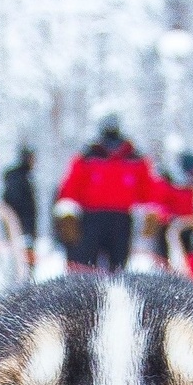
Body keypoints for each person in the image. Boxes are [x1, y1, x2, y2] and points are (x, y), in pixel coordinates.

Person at [53, 116, 158, 273]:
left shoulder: (134, 158)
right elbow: (71, 187)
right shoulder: (87, 156)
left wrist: (151, 211)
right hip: (91, 219)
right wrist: (67, 211)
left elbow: (148, 190)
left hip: (121, 220)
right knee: (84, 267)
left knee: (119, 269)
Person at [150, 152, 193, 261]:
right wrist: (171, 217)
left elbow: (191, 210)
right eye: (192, 173)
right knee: (165, 257)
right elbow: (159, 206)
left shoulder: (190, 188)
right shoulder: (166, 184)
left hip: (186, 228)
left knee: (186, 256)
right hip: (167, 227)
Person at [1, 147, 40, 265]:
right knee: (21, 262)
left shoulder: (24, 177)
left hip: (22, 226)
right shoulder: (18, 177)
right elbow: (15, 202)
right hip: (20, 227)